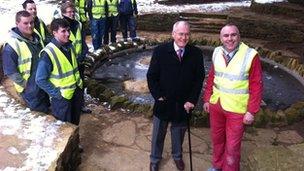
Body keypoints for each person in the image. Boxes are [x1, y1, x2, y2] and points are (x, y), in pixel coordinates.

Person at [203, 24, 263, 171]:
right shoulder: (217, 52)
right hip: (217, 105)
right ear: (221, 38)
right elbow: (212, 77)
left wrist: (251, 111)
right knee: (217, 140)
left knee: (232, 146)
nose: (230, 39)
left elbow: (256, 85)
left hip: (237, 109)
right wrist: (206, 98)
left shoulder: (250, 55)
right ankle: (217, 165)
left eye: (233, 35)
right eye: (226, 35)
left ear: (239, 36)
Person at [147, 21, 205, 171]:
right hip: (163, 102)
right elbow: (152, 76)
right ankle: (154, 159)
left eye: (187, 34)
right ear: (173, 34)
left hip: (183, 103)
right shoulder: (160, 51)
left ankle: (177, 156)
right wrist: (158, 96)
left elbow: (199, 79)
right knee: (158, 134)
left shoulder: (196, 53)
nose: (184, 38)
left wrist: (192, 100)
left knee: (179, 133)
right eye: (181, 34)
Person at [35, 18, 84, 125]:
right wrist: (56, 94)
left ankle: (76, 141)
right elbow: (40, 79)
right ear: (54, 33)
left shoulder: (69, 46)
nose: (68, 34)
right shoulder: (48, 53)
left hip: (75, 92)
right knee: (64, 126)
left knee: (75, 123)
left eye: (68, 30)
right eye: (63, 31)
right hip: (62, 98)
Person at [2, 10, 49, 113]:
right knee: (39, 114)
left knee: (47, 107)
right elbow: (10, 71)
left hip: (43, 82)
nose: (30, 26)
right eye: (25, 23)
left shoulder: (35, 34)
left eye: (31, 22)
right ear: (17, 23)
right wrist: (25, 84)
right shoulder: (11, 46)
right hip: (30, 89)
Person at [61, 1, 91, 113]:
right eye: (69, 12)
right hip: (68, 63)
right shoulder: (61, 26)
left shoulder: (78, 24)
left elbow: (82, 42)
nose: (72, 14)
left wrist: (82, 55)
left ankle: (81, 105)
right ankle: (71, 108)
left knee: (80, 84)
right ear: (63, 13)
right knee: (70, 85)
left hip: (80, 60)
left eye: (73, 11)